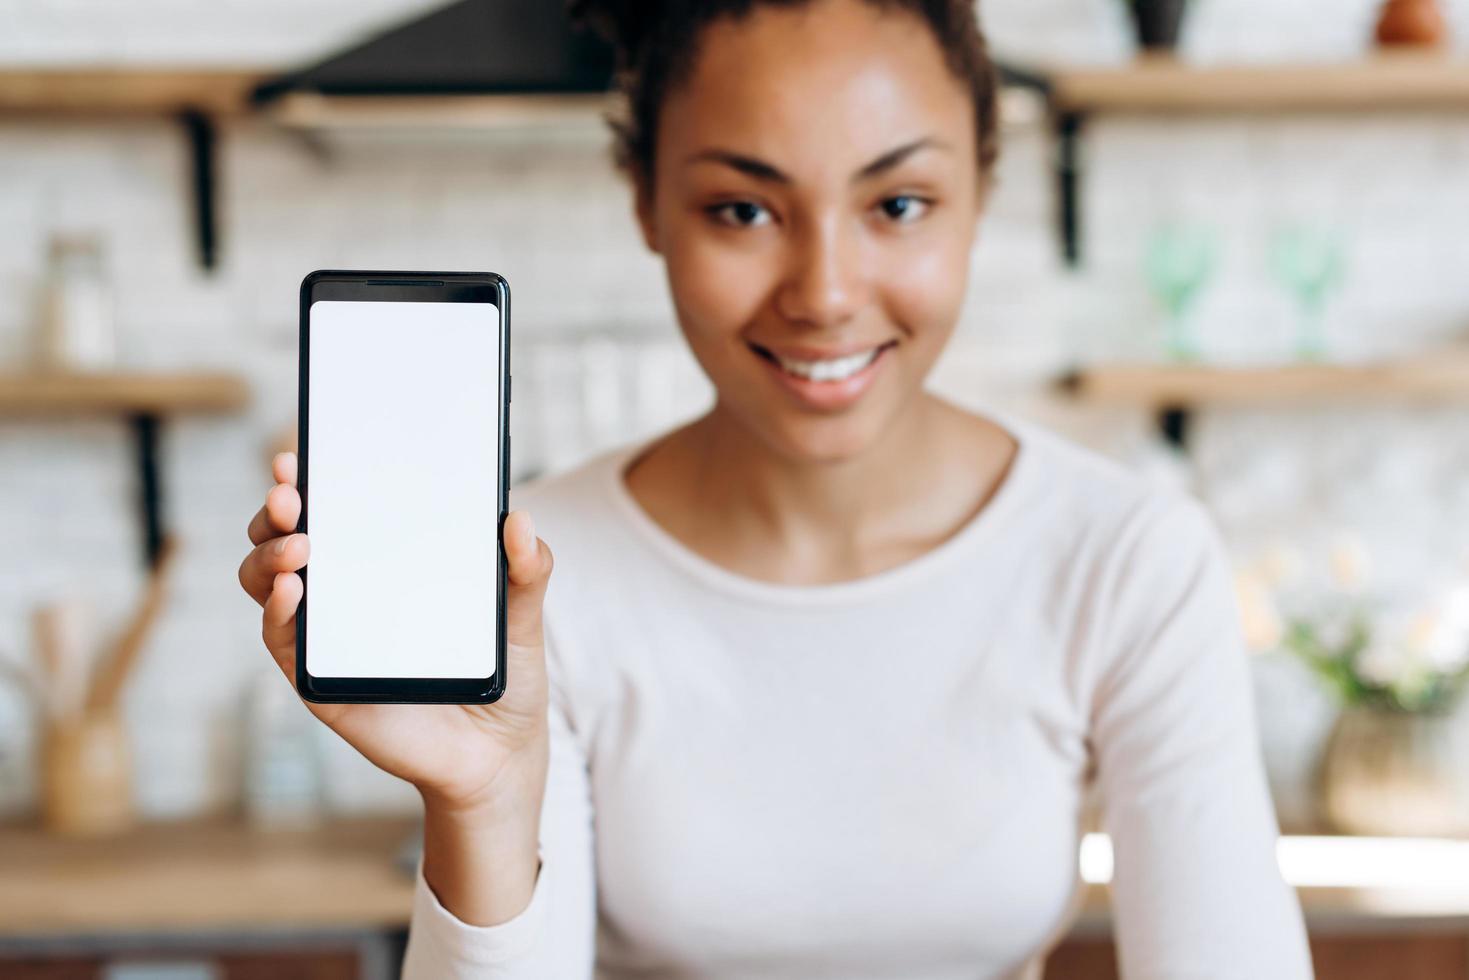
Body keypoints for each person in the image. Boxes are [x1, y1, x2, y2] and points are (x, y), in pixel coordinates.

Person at [237, 1, 1313, 976]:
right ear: (646, 204)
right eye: (742, 211)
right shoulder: (535, 573)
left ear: (980, 194)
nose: (826, 295)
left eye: (896, 201)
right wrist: (478, 798)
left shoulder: (1124, 560)